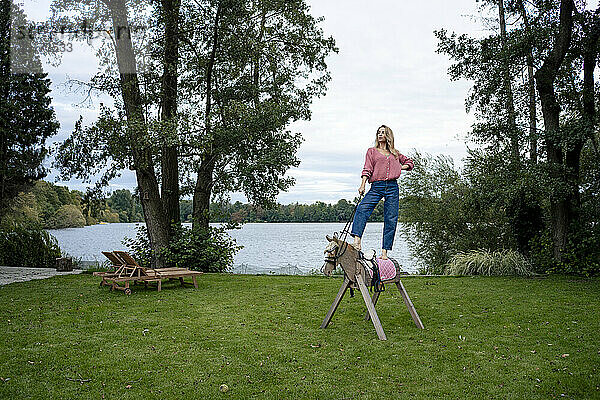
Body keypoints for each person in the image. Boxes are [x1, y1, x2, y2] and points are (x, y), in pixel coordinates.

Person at [350, 124, 414, 260]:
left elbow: (410, 163)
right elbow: (367, 168)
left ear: (388, 136)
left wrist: (399, 167)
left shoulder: (395, 153)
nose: (380, 134)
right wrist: (362, 185)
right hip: (376, 186)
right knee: (362, 208)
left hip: (392, 187)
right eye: (379, 132)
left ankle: (384, 253)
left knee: (391, 218)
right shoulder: (371, 151)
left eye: (383, 132)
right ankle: (357, 240)